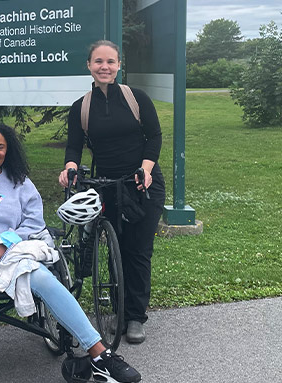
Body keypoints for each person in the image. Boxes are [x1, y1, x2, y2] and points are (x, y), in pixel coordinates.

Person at [0, 121, 142, 383]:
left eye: (0, 147)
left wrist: (4, 244)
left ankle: (100, 355)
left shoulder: (19, 182)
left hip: (12, 252)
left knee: (46, 279)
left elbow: (33, 224)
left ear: (7, 151)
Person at [58, 40, 166, 345]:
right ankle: (118, 311)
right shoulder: (82, 107)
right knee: (115, 247)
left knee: (137, 250)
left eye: (110, 62)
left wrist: (145, 169)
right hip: (106, 185)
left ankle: (135, 317)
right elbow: (74, 145)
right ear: (89, 66)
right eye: (98, 62)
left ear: (119, 66)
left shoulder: (136, 98)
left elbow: (154, 136)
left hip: (142, 183)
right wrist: (69, 167)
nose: (104, 67)